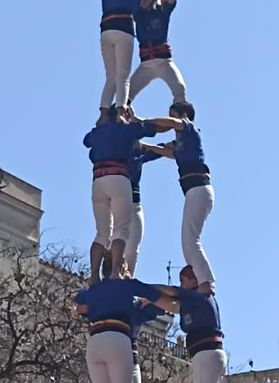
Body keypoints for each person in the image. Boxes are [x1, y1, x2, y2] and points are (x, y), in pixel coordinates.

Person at [83, 107, 180, 279]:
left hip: (103, 182)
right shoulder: (130, 138)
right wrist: (177, 125)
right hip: (123, 188)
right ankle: (115, 273)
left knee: (107, 236)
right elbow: (155, 130)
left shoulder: (109, 137)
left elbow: (88, 144)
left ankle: (102, 275)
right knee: (122, 236)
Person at [74, 274, 164, 383]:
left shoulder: (99, 296)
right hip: (126, 354)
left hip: (100, 344)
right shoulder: (127, 299)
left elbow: (80, 303)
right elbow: (159, 304)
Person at [142, 100, 215, 288]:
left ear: (182, 116)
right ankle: (198, 280)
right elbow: (166, 151)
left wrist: (143, 122)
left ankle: (207, 283)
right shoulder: (183, 142)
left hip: (198, 189)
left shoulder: (189, 128)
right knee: (187, 242)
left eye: (172, 116)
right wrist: (144, 146)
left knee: (191, 240)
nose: (170, 122)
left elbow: (172, 125)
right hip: (195, 192)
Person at [98, 0, 147, 121]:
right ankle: (120, 111)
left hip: (106, 28)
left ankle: (103, 114)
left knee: (110, 76)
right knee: (123, 76)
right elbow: (142, 4)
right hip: (123, 27)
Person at [128, 0, 186, 106]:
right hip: (145, 66)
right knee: (126, 94)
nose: (143, 0)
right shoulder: (138, 14)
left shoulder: (161, 12)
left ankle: (181, 116)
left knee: (179, 89)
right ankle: (123, 117)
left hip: (164, 62)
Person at [125, 143, 162, 276]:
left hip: (134, 203)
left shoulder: (137, 152)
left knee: (132, 250)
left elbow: (161, 150)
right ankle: (108, 281)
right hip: (116, 203)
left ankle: (126, 282)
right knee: (111, 245)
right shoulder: (111, 149)